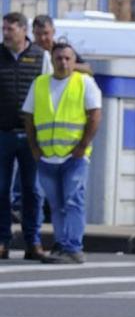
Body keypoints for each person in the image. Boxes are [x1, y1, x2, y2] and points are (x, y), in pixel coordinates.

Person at [22, 41, 100, 264]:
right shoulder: (40, 84)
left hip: (73, 156)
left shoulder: (84, 82)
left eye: (68, 58)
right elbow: (28, 116)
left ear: (75, 61)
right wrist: (35, 148)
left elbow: (95, 115)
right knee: (56, 205)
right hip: (47, 156)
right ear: (52, 60)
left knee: (73, 201)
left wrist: (83, 146)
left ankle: (73, 247)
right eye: (59, 58)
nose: (63, 62)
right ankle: (61, 244)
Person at [0, 13, 44, 260]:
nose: (5, 33)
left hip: (31, 135)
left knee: (33, 191)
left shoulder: (41, 57)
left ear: (23, 30)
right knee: (1, 189)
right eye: (4, 29)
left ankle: (33, 241)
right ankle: (2, 241)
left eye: (10, 29)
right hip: (3, 133)